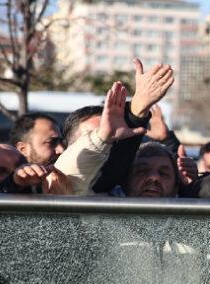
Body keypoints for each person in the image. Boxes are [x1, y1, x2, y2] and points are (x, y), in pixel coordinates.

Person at [60, 58, 175, 193]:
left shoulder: (111, 195)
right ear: (64, 149)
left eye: (113, 139)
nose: (154, 178)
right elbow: (73, 178)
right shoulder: (53, 184)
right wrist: (136, 112)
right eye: (93, 136)